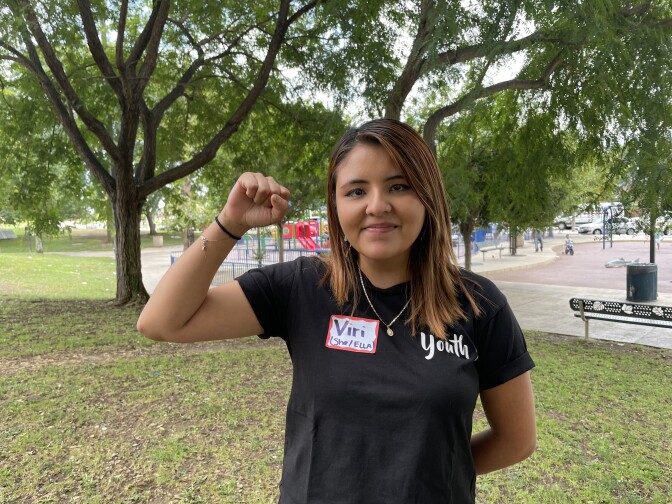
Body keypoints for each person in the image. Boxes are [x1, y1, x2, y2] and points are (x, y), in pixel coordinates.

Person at [137, 119, 537, 503]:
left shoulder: (477, 302)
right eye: (356, 191)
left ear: (427, 195)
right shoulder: (301, 287)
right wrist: (230, 223)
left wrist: (429, 472)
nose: (377, 206)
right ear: (336, 204)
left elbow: (517, 439)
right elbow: (161, 321)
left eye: (399, 186)